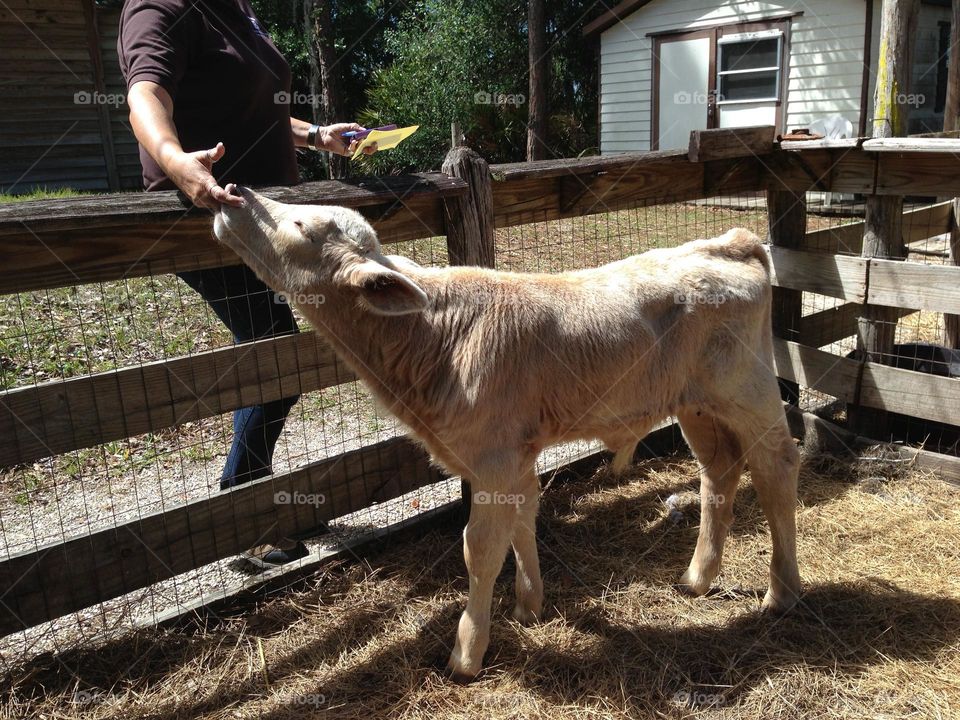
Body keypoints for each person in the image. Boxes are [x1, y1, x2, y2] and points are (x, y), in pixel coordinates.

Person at [118, 0, 374, 568]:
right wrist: (174, 159)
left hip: (262, 219)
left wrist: (317, 135)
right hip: (214, 216)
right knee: (274, 356)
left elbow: (249, 107)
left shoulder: (236, 11)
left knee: (274, 353)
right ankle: (244, 515)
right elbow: (145, 93)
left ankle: (254, 500)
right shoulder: (162, 6)